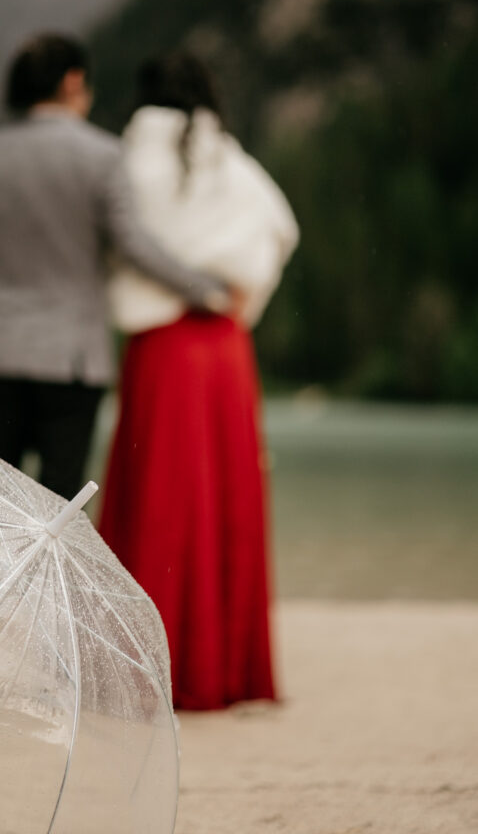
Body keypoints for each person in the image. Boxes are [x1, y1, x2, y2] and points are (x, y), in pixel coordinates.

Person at [0, 34, 232, 500]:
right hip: (70, 360)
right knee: (58, 508)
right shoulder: (102, 155)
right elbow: (134, 244)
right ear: (72, 81)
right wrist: (206, 289)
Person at [99, 50, 299, 710]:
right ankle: (228, 673)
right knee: (224, 497)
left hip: (163, 344)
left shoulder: (132, 158)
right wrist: (239, 288)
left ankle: (156, 671)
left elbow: (120, 242)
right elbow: (282, 230)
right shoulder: (232, 160)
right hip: (225, 347)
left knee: (160, 494)